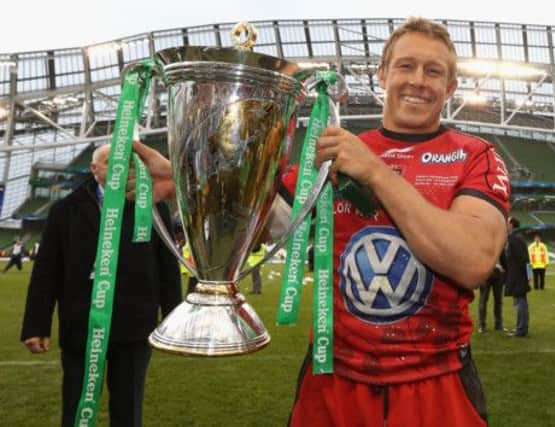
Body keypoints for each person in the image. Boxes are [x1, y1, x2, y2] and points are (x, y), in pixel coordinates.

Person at [133, 17, 509, 427]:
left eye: (434, 71)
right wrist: (186, 183)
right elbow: (259, 227)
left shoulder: (476, 156)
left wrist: (376, 173)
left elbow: (472, 261)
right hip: (331, 380)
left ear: (451, 88)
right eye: (406, 66)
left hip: (436, 385)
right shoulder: (333, 152)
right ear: (383, 74)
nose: (418, 80)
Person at [21, 144, 182, 427]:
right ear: (95, 169)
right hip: (81, 325)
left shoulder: (153, 207)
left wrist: (173, 323)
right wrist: (36, 326)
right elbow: (46, 271)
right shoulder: (65, 211)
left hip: (134, 326)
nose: (122, 168)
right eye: (112, 162)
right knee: (76, 405)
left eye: (127, 162)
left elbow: (167, 267)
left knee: (128, 409)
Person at [503, 216, 530, 338]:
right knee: (519, 303)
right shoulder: (516, 238)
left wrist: (526, 276)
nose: (506, 225)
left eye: (507, 223)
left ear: (512, 225)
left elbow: (524, 259)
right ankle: (520, 328)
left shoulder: (515, 239)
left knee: (520, 303)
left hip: (518, 277)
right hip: (518, 276)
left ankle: (521, 330)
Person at [477, 251, 506, 333]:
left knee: (498, 300)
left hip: (498, 274)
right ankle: (482, 325)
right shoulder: (484, 243)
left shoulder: (498, 241)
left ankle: (498, 324)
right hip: (486, 273)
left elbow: (503, 258)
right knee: (483, 299)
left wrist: (505, 273)